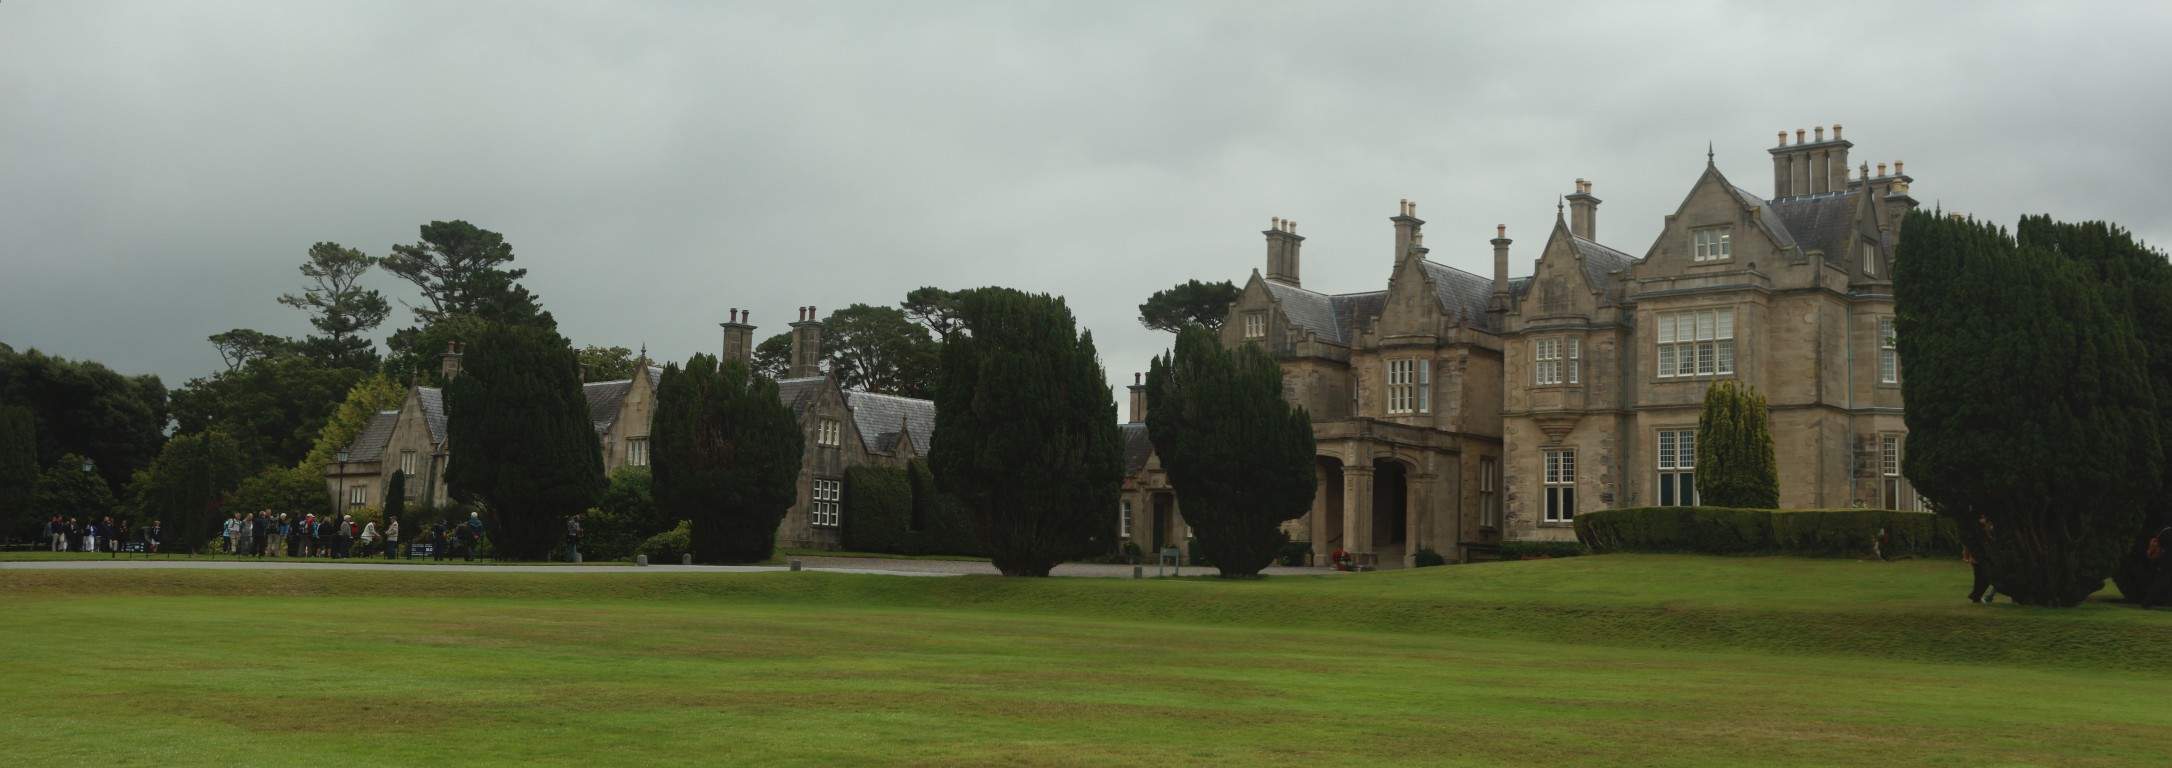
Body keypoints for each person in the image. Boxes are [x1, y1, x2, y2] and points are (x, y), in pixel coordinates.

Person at [2140, 524, 2172, 609]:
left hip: (2167, 561)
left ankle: (2147, 603)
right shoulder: (2168, 533)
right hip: (2169, 562)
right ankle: (2147, 603)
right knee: (2161, 583)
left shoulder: (2164, 532)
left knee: (2161, 583)